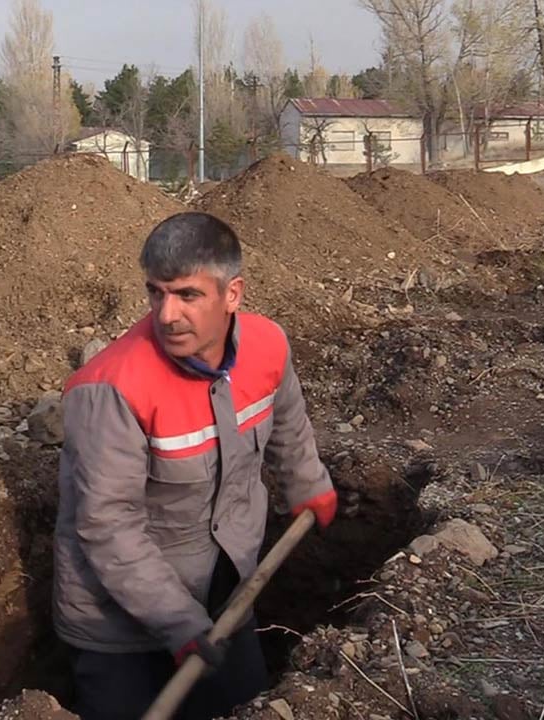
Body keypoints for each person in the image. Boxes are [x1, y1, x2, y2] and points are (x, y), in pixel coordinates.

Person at [52, 211, 339, 720]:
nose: (166, 315)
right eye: (156, 293)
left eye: (187, 295)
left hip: (225, 596)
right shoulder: (111, 388)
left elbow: (289, 418)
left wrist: (308, 482)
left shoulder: (268, 346)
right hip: (119, 623)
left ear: (232, 294)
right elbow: (108, 524)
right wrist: (178, 620)